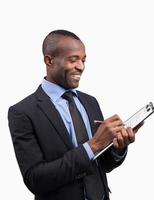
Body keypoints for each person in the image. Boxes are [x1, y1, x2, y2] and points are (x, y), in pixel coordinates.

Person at [8, 30, 143, 200]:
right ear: (49, 60)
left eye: (83, 60)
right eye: (73, 60)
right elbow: (35, 179)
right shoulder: (22, 112)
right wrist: (93, 145)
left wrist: (118, 148)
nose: (81, 66)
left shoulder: (90, 102)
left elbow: (101, 165)